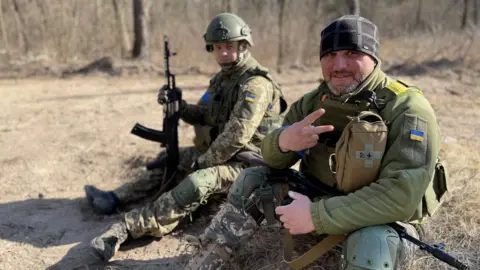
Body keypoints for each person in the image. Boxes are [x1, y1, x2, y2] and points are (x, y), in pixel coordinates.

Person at [185, 14, 448, 270]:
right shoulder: (314, 101)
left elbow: (399, 196)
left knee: (371, 245)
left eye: (352, 53)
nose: (339, 65)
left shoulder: (408, 108)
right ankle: (204, 262)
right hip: (320, 195)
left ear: (374, 58)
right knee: (252, 180)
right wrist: (282, 142)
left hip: (382, 219)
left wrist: (317, 216)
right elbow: (271, 155)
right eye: (330, 56)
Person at [86, 12, 287, 262]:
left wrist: (204, 162)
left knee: (197, 182)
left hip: (247, 165)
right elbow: (203, 114)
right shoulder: (221, 80)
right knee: (168, 160)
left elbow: (237, 134)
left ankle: (126, 229)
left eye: (229, 46)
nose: (223, 52)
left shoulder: (255, 85)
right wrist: (179, 106)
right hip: (220, 153)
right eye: (218, 47)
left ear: (243, 46)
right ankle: (116, 197)